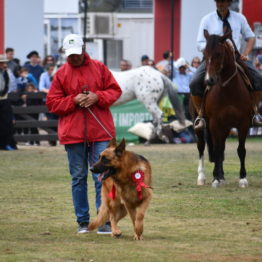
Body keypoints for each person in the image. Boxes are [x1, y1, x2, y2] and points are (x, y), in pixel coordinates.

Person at [46, 34, 122, 234]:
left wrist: (98, 97)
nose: (74, 58)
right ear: (65, 53)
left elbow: (115, 91)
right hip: (74, 134)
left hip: (100, 132)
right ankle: (83, 222)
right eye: (70, 55)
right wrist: (73, 100)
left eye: (77, 54)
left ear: (84, 49)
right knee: (78, 177)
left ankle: (103, 220)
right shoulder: (61, 74)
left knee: (103, 176)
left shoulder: (99, 68)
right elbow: (52, 103)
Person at [190, 0, 262, 130]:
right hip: (213, 59)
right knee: (194, 82)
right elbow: (199, 43)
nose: (220, 4)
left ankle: (254, 113)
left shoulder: (239, 18)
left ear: (229, 3)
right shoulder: (207, 19)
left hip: (236, 57)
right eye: (218, 1)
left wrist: (246, 53)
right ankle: (201, 115)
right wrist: (211, 49)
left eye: (223, 1)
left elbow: (251, 37)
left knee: (259, 79)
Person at [0, 55, 17, 150]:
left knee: (7, 123)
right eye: (2, 63)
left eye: (4, 63)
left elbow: (10, 86)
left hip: (4, 99)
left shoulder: (6, 73)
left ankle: (6, 143)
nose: (4, 65)